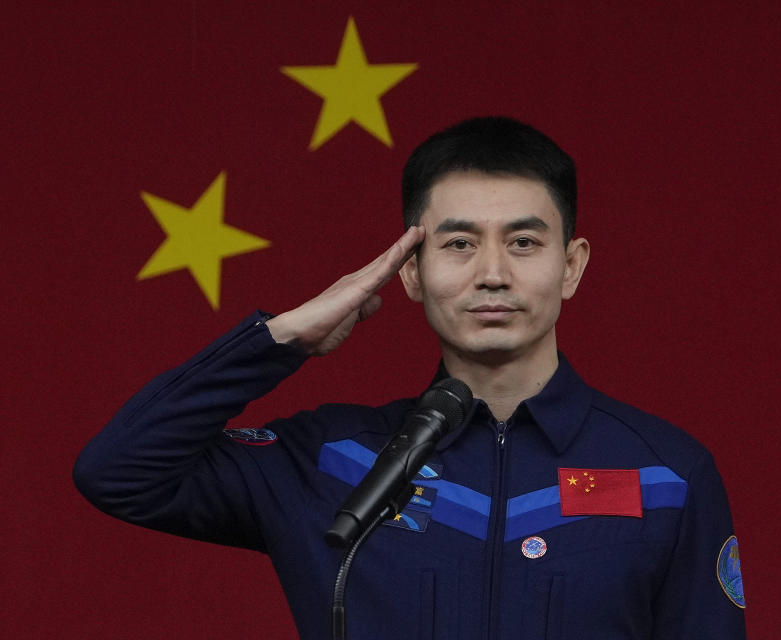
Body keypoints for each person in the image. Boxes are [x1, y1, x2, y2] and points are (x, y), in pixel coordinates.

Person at [74, 117, 746, 639]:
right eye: (458, 244)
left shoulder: (667, 475)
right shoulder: (332, 460)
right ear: (410, 272)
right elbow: (120, 471)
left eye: (523, 242)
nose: (492, 272)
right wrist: (281, 338)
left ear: (570, 266)